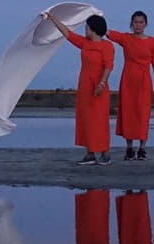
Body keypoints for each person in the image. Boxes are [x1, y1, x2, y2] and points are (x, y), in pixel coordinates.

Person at [43, 9, 114, 165]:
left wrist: (102, 83)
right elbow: (67, 34)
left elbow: (108, 66)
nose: (85, 30)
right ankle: (90, 154)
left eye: (87, 27)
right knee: (86, 119)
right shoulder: (84, 43)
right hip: (85, 86)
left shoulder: (107, 46)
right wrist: (53, 19)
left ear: (94, 28)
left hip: (99, 86)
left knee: (100, 120)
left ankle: (105, 153)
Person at [106, 10, 154, 160]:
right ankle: (129, 148)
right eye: (136, 22)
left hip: (144, 81)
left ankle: (142, 148)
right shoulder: (126, 38)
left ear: (145, 24)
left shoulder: (151, 41)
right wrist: (95, 16)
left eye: (141, 22)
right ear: (132, 24)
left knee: (143, 114)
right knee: (128, 113)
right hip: (128, 80)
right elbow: (108, 33)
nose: (138, 25)